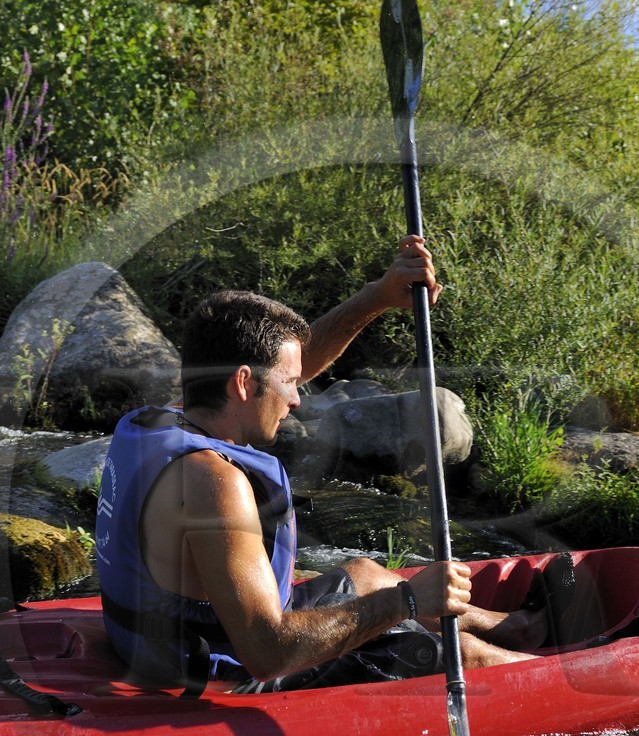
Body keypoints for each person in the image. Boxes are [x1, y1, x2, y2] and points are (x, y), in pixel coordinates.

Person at [94, 235, 549, 694]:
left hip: (162, 635)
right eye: (290, 384)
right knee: (453, 654)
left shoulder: (156, 422)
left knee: (367, 574)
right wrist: (408, 600)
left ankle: (518, 629)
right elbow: (267, 654)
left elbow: (297, 361)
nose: (296, 398)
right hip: (217, 671)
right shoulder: (214, 481)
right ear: (243, 383)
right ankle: (558, 680)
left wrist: (378, 296)